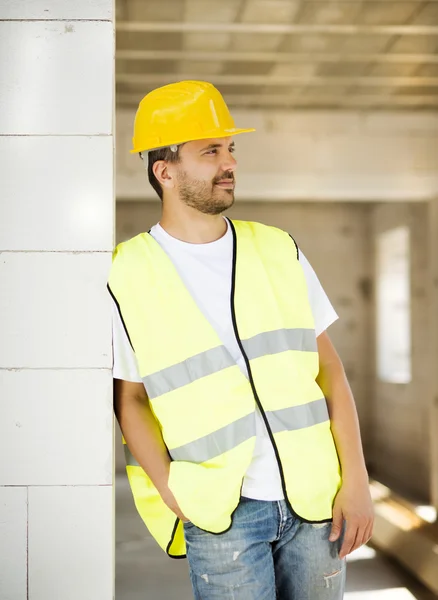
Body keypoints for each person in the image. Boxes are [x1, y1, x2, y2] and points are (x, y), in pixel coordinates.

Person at [109, 80, 374, 600]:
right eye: (210, 151)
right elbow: (130, 401)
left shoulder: (279, 249)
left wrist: (357, 479)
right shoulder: (127, 273)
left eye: (230, 149)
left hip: (314, 504)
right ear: (165, 171)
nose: (228, 162)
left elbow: (330, 372)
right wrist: (176, 492)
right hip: (221, 512)